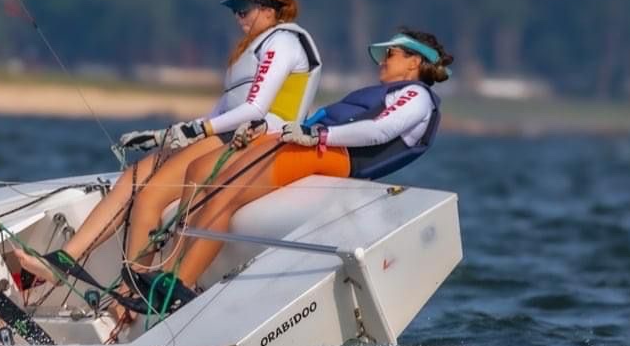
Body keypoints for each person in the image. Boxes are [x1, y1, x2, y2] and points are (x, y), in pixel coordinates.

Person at [8, 0, 320, 293]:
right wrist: (165, 135)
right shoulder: (255, 46)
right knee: (132, 178)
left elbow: (255, 109)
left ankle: (134, 294)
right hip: (227, 132)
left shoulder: (284, 42)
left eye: (243, 10)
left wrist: (197, 130)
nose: (238, 17)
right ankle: (64, 260)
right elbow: (223, 110)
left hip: (256, 139)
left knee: (150, 197)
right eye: (236, 11)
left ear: (267, 9)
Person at [124, 27, 453, 310]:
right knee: (210, 180)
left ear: (414, 62)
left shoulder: (416, 96)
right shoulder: (396, 92)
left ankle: (181, 284)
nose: (382, 60)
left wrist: (319, 136)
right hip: (313, 144)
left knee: (226, 194)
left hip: (331, 155)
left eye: (390, 54)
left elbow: (379, 131)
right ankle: (170, 276)